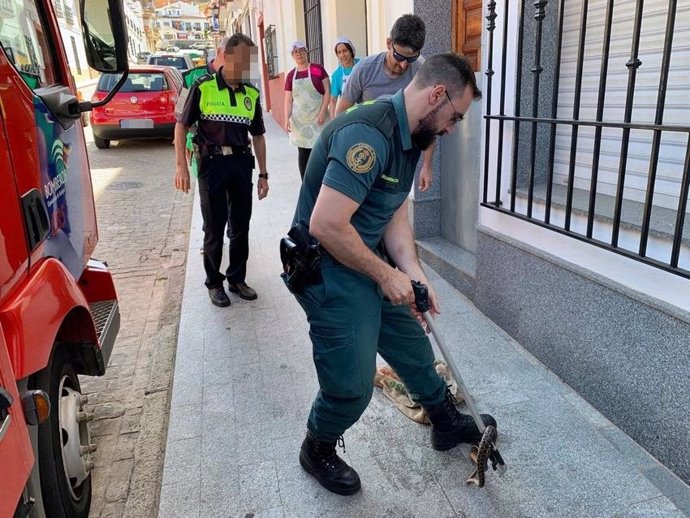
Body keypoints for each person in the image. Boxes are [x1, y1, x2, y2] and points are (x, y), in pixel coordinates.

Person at [285, 53, 496, 496]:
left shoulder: (411, 139)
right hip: (329, 269)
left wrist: (414, 274)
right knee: (352, 386)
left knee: (413, 346)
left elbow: (394, 214)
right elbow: (326, 224)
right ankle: (317, 447)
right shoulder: (367, 134)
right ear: (436, 95)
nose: (451, 129)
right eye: (454, 117)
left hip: (369, 256)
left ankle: (443, 422)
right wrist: (386, 276)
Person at [174, 33, 269, 307]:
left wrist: (263, 173)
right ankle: (214, 283)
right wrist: (181, 164)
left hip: (241, 163)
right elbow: (181, 126)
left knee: (241, 225)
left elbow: (259, 135)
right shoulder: (202, 87)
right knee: (214, 227)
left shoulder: (251, 93)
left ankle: (237, 279)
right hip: (212, 165)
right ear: (225, 57)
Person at [335, 14, 434, 192]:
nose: (404, 65)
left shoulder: (422, 71)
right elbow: (341, 113)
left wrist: (427, 166)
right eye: (399, 57)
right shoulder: (365, 69)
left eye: (411, 59)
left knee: (393, 208)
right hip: (367, 151)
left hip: (402, 156)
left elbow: (429, 122)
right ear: (389, 43)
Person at [176, 36, 229, 178]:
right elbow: (180, 119)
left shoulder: (237, 80)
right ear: (219, 52)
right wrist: (181, 165)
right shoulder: (191, 78)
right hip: (203, 152)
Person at [284, 41, 331, 180]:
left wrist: (323, 112)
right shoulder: (291, 76)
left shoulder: (317, 70)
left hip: (318, 119)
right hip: (300, 121)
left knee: (320, 151)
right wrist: (287, 118)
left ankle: (323, 183)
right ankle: (306, 183)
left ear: (307, 51)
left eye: (301, 50)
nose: (299, 54)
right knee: (303, 153)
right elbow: (288, 100)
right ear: (292, 55)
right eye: (296, 52)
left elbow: (327, 91)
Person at [328, 36, 360, 118]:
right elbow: (333, 99)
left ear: (351, 51)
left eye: (344, 51)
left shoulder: (362, 65)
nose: (342, 55)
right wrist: (333, 120)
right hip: (348, 114)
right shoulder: (337, 75)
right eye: (339, 52)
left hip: (364, 109)